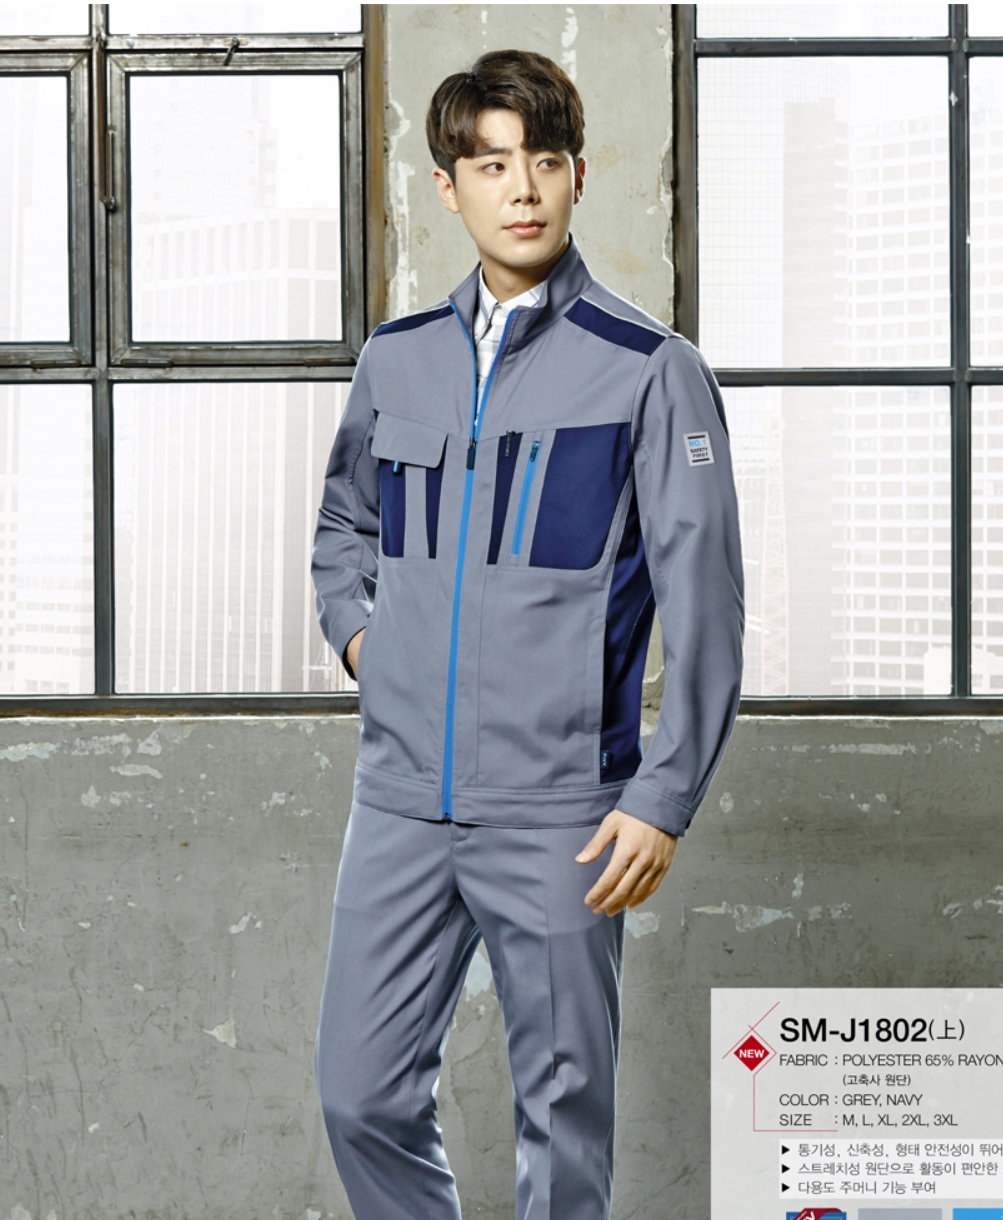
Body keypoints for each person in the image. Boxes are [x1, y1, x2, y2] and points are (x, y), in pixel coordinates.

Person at [311, 48, 744, 1220]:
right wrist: (364, 644)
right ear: (448, 187)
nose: (522, 188)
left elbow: (705, 602)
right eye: (493, 163)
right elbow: (345, 526)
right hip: (402, 797)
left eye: (544, 161)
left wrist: (661, 795)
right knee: (358, 1092)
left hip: (562, 807)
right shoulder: (397, 358)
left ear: (577, 176)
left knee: (562, 1117)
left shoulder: (650, 371)